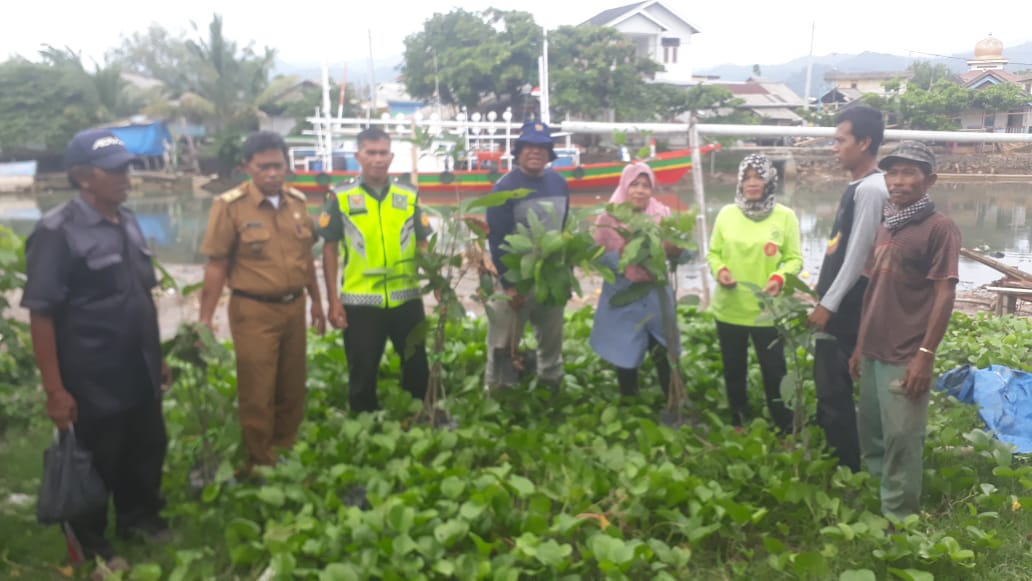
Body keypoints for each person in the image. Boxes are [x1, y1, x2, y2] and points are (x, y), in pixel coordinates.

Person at [22, 128, 171, 576]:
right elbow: (41, 315)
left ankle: (139, 520)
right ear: (83, 177)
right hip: (92, 375)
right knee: (98, 458)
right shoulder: (56, 232)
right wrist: (55, 390)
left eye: (126, 168)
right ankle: (91, 542)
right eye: (114, 171)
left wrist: (158, 354)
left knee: (145, 448)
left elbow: (141, 296)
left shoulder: (125, 220)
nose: (125, 177)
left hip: (138, 367)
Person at [198, 131, 325, 471]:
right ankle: (260, 461)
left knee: (292, 384)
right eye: (264, 167)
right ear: (248, 168)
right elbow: (217, 264)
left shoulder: (297, 203)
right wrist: (205, 319)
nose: (272, 173)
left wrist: (317, 303)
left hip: (294, 306)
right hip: (253, 310)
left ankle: (285, 446)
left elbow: (305, 260)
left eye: (278, 166)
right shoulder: (230, 207)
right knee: (258, 388)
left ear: (287, 166)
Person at [849, 141, 960, 519]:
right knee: (874, 433)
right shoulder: (886, 223)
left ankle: (900, 520)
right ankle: (880, 499)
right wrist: (858, 346)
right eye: (892, 172)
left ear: (929, 180)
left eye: (908, 172)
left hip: (906, 351)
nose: (898, 181)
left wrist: (925, 356)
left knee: (902, 437)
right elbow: (871, 291)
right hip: (873, 348)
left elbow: (945, 293)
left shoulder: (939, 228)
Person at [317, 127, 431, 412]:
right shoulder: (340, 196)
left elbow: (423, 244)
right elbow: (329, 250)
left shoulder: (409, 194)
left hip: (407, 297)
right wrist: (333, 301)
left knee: (417, 366)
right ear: (358, 156)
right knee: (362, 372)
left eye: (383, 153)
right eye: (371, 153)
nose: (377, 159)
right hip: (360, 301)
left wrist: (436, 284)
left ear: (391, 156)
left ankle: (418, 417)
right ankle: (363, 425)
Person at [807, 105, 889, 472]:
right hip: (837, 300)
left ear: (865, 142)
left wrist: (828, 303)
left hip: (849, 304)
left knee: (835, 382)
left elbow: (857, 257)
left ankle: (846, 463)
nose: (835, 147)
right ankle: (832, 444)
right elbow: (838, 250)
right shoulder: (857, 186)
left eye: (841, 140)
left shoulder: (872, 189)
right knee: (827, 379)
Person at [706, 154, 802, 433]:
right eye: (746, 177)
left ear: (770, 180)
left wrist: (779, 277)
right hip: (730, 308)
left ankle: (783, 424)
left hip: (768, 312)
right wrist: (720, 270)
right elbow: (713, 253)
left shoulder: (785, 217)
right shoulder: (726, 214)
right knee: (734, 369)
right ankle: (738, 419)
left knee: (775, 371)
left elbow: (795, 259)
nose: (752, 183)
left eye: (758, 177)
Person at [485, 120, 570, 389]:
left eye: (542, 147)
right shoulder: (504, 187)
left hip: (550, 276)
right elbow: (496, 239)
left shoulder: (559, 183)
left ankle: (551, 384)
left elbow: (563, 228)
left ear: (549, 153)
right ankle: (498, 390)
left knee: (552, 339)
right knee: (504, 341)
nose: (536, 152)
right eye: (529, 147)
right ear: (518, 152)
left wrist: (564, 276)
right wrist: (509, 286)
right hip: (516, 277)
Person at [590, 162, 685, 396]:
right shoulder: (609, 217)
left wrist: (676, 250)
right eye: (634, 184)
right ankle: (629, 401)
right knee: (624, 350)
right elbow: (594, 256)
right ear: (624, 186)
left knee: (664, 347)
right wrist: (618, 256)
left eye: (645, 185)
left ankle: (672, 398)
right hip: (622, 293)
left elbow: (685, 250)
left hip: (656, 295)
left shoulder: (662, 214)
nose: (640, 190)